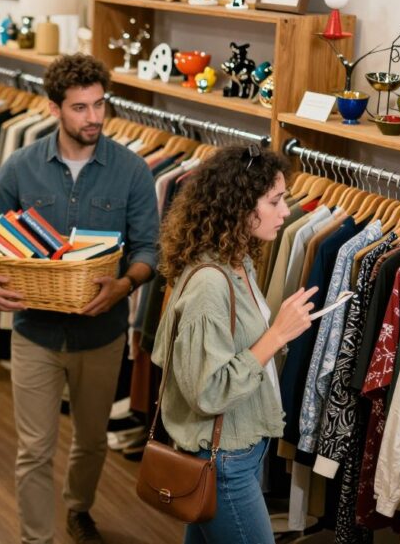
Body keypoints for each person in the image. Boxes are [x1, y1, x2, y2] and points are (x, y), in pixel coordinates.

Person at [0, 54, 160, 544]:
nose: (93, 117)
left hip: (102, 333)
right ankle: (38, 538)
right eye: (80, 107)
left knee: (92, 440)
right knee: (34, 448)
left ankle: (80, 509)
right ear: (55, 107)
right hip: (35, 331)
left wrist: (125, 284)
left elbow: (148, 249)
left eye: (99, 105)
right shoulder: (21, 165)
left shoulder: (133, 170)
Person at [152, 146, 318, 544]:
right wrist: (277, 334)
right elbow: (206, 391)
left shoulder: (238, 261)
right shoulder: (211, 283)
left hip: (237, 449)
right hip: (222, 460)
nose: (285, 212)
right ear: (240, 205)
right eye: (275, 202)